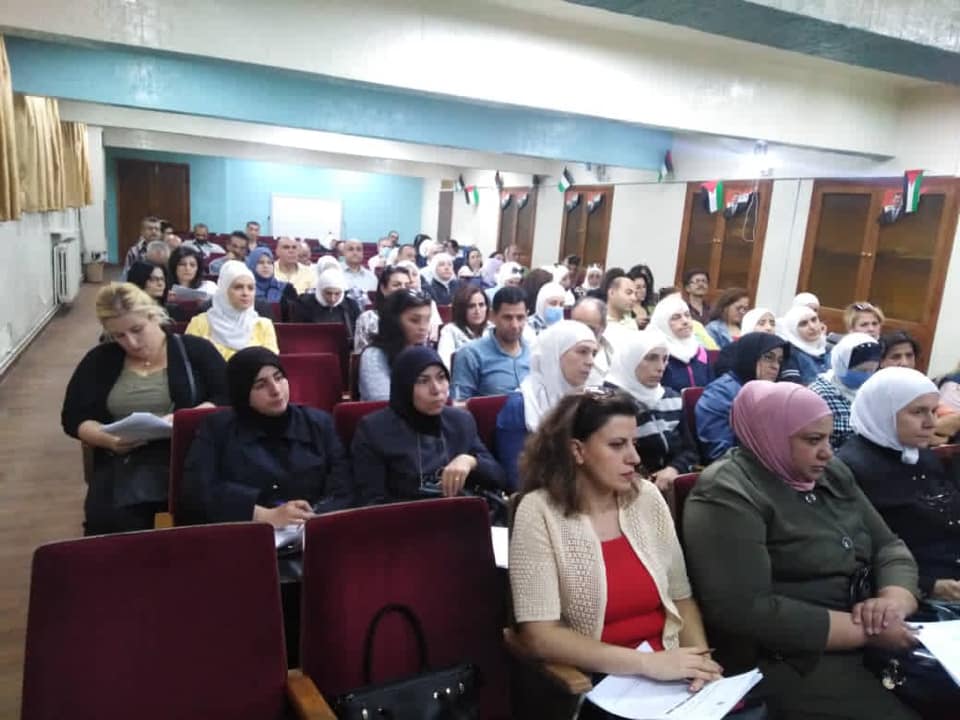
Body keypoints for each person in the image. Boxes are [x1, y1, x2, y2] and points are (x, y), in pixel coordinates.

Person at [683, 380, 921, 720]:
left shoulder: (828, 472)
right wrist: (868, 632)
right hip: (791, 656)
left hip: (874, 630)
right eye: (812, 440)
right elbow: (745, 609)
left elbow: (888, 546)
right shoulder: (726, 492)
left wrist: (893, 602)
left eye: (828, 439)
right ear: (772, 435)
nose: (827, 452)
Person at [510, 390, 722, 720]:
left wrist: (699, 663)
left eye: (634, 443)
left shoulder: (647, 497)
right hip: (600, 683)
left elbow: (681, 599)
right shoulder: (538, 511)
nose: (634, 457)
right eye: (617, 445)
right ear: (577, 450)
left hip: (669, 674)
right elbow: (540, 636)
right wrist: (646, 664)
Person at [61, 283, 227, 534]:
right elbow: (74, 417)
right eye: (119, 336)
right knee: (112, 519)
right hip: (122, 458)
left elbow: (226, 395)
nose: (131, 342)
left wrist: (188, 417)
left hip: (189, 453)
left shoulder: (195, 350)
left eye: (137, 330)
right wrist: (108, 439)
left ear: (154, 316)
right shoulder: (100, 360)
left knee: (201, 511)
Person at [182, 347, 352, 525]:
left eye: (279, 378)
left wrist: (312, 518)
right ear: (242, 392)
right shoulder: (217, 429)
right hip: (246, 532)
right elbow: (197, 491)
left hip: (314, 528)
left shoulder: (319, 423)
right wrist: (263, 515)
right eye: (261, 385)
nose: (276, 390)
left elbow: (343, 488)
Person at [838, 367, 960, 603]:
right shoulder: (851, 468)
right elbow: (856, 556)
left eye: (933, 411)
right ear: (883, 411)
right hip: (911, 593)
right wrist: (930, 586)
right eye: (918, 412)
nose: (931, 423)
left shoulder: (920, 455)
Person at [352, 346, 505, 504]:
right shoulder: (373, 430)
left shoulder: (460, 421)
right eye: (423, 381)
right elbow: (371, 502)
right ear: (404, 386)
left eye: (441, 377)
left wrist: (471, 461)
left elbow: (499, 477)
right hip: (403, 517)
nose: (436, 389)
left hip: (460, 513)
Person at [495, 320, 597, 489]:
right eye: (582, 352)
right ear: (554, 354)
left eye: (594, 353)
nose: (591, 361)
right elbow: (518, 478)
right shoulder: (521, 406)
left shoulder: (590, 401)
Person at [605, 329, 699, 490]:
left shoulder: (671, 398)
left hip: (669, 484)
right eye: (651, 358)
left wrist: (674, 469)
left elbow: (691, 451)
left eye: (665, 359)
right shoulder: (608, 403)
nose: (661, 367)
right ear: (630, 359)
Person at [695, 332, 788, 462]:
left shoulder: (774, 392)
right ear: (749, 357)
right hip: (736, 468)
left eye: (779, 361)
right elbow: (719, 452)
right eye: (768, 358)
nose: (775, 366)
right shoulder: (720, 393)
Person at [185, 260, 279, 360]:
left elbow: (270, 363)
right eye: (238, 287)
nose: (245, 293)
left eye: (251, 288)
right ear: (224, 290)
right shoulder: (199, 323)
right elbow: (189, 361)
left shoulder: (264, 326)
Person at [452, 286, 531, 401]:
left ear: (527, 316)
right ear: (492, 316)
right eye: (507, 318)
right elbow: (458, 404)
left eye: (520, 318)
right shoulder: (470, 354)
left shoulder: (535, 352)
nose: (515, 325)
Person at [808, 333, 881, 451]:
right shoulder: (819, 394)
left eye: (872, 370)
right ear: (841, 365)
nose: (867, 376)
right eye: (862, 370)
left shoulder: (873, 390)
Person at [358, 290, 432, 401]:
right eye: (414, 320)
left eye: (427, 320)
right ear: (394, 321)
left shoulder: (425, 351)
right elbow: (382, 399)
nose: (423, 327)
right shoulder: (373, 355)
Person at [649, 295, 712, 393]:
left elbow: (711, 386)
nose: (685, 321)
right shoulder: (654, 353)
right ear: (663, 323)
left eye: (687, 315)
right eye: (676, 317)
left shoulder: (700, 352)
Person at [290, 266, 361, 342]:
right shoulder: (304, 305)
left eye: (337, 294)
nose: (332, 299)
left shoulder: (351, 306)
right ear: (320, 290)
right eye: (328, 293)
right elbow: (297, 335)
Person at [353, 265, 412, 354]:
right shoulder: (368, 318)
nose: (403, 289)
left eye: (407, 286)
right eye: (397, 285)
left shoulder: (416, 317)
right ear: (383, 289)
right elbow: (361, 354)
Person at [437, 285, 489, 371]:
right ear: (461, 309)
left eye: (481, 305)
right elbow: (444, 365)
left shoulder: (493, 329)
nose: (477, 311)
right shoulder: (450, 331)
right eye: (471, 306)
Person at [779, 304, 830, 385]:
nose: (812, 327)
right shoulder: (790, 355)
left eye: (814, 320)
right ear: (793, 330)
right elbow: (794, 389)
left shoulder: (829, 349)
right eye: (803, 324)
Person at [572, 297, 613, 384]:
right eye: (577, 326)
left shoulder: (614, 353)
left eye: (590, 329)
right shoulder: (559, 354)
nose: (583, 333)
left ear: (603, 327)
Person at [339, 239, 378, 309]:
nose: (355, 253)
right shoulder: (335, 272)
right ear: (344, 253)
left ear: (362, 253)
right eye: (351, 249)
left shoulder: (372, 278)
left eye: (359, 249)